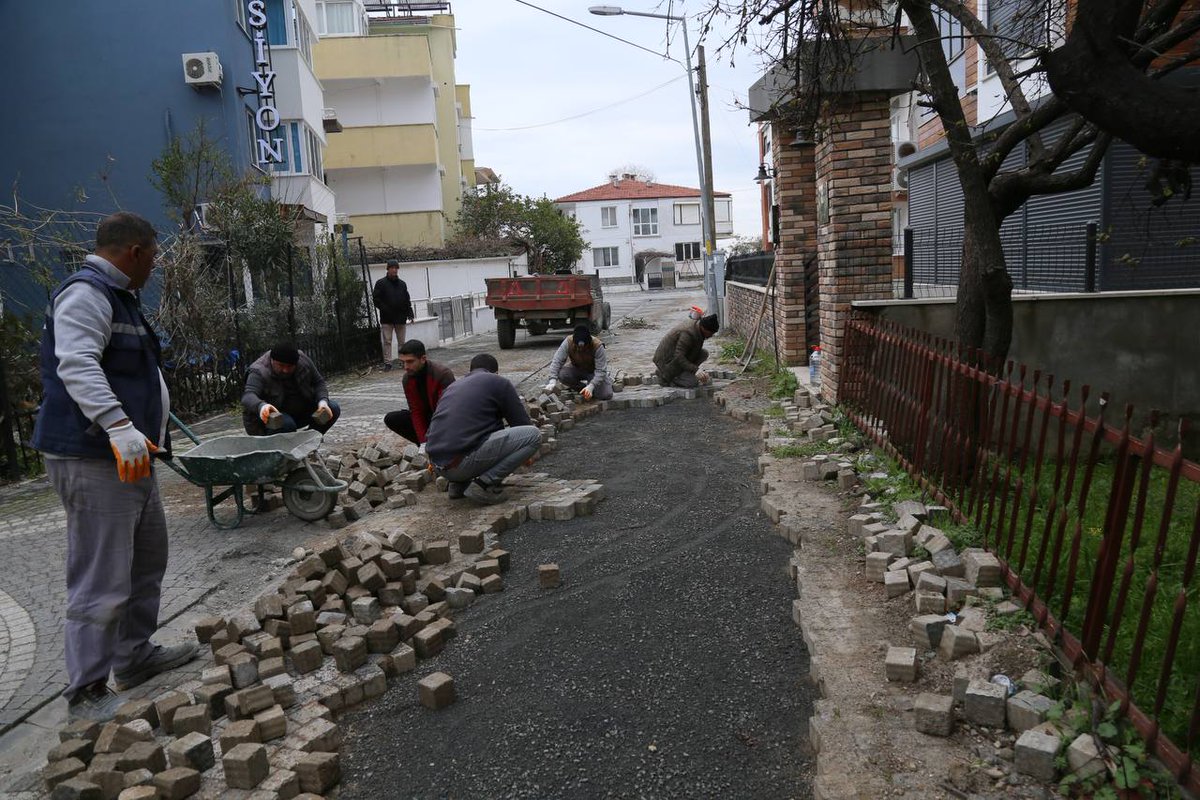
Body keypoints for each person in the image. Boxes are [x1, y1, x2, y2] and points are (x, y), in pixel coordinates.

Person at [32, 212, 198, 722]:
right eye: (154, 257)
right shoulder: (86, 294)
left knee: (146, 562)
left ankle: (134, 657)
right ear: (134, 252)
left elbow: (133, 370)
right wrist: (118, 425)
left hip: (132, 458)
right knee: (102, 576)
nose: (155, 267)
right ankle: (86, 692)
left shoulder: (121, 296)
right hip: (94, 457)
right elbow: (77, 363)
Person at [425, 354, 542, 505]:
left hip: (438, 466)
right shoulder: (498, 382)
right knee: (533, 436)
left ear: (471, 370)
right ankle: (483, 485)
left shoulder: (453, 387)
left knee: (475, 434)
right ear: (496, 373)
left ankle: (458, 485)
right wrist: (526, 456)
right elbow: (521, 424)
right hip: (461, 464)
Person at [241, 343, 341, 436]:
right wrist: (262, 406)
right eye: (281, 365)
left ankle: (309, 440)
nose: (285, 370)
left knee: (332, 408)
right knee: (285, 423)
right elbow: (248, 396)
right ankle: (282, 449)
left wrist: (322, 401)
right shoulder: (259, 371)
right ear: (272, 360)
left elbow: (319, 382)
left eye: (290, 366)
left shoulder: (303, 361)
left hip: (298, 411)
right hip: (270, 420)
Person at [383, 339, 455, 452]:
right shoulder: (407, 379)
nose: (406, 367)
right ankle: (426, 446)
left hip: (446, 420)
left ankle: (439, 446)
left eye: (410, 362)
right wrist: (422, 441)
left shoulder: (442, 375)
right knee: (392, 418)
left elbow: (447, 411)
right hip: (428, 418)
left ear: (423, 359)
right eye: (403, 362)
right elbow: (415, 411)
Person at [544, 324, 613, 401]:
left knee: (606, 395)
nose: (581, 349)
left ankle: (599, 384)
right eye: (578, 346)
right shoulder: (568, 342)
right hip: (577, 369)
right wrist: (552, 380)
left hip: (593, 372)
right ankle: (582, 389)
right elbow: (557, 361)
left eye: (584, 347)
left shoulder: (597, 346)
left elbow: (600, 370)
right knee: (562, 374)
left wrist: (592, 385)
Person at [653, 313, 720, 388]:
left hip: (676, 357)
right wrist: (696, 370)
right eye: (711, 333)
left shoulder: (698, 328)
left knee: (703, 353)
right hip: (666, 361)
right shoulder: (688, 334)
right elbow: (679, 356)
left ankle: (684, 373)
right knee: (692, 383)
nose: (711, 336)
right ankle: (666, 376)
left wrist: (695, 371)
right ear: (704, 328)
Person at [372, 260, 415, 370]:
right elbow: (376, 299)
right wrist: (384, 308)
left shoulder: (402, 284)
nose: (394, 270)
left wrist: (410, 313)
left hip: (400, 317)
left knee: (401, 342)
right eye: (392, 268)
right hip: (387, 318)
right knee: (387, 341)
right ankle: (388, 363)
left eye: (396, 268)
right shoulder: (381, 283)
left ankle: (402, 361)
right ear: (388, 269)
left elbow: (406, 299)